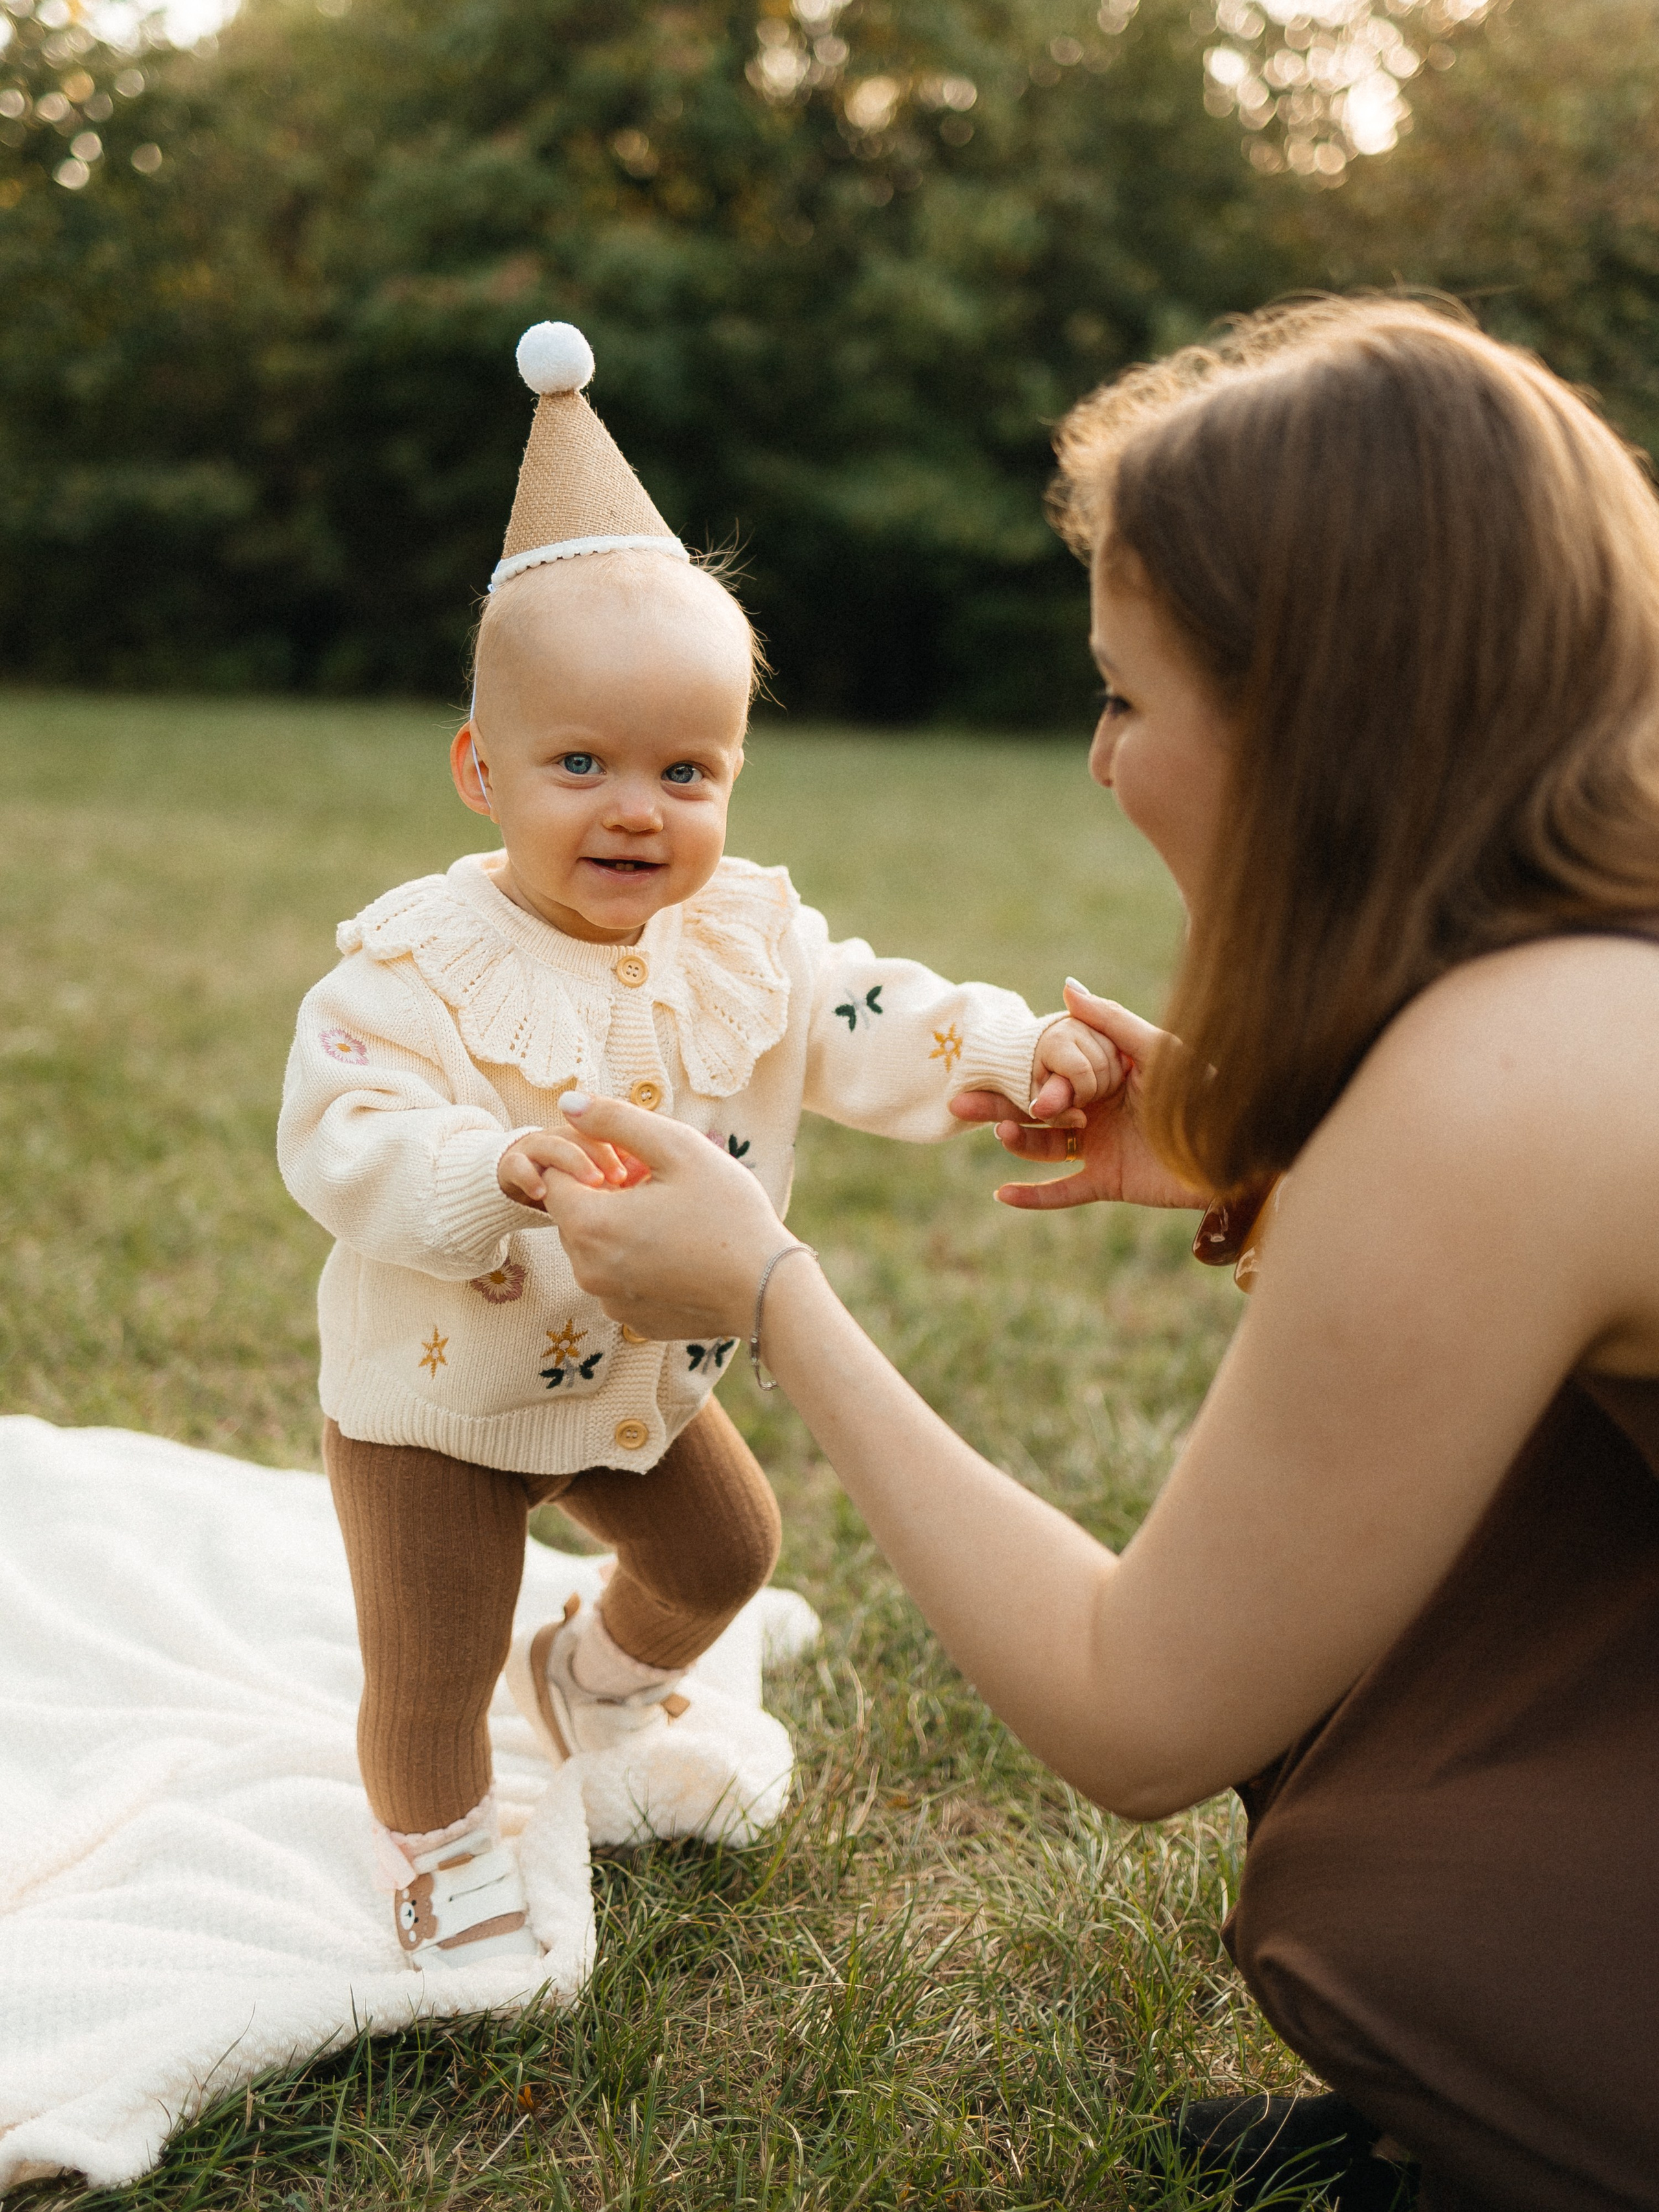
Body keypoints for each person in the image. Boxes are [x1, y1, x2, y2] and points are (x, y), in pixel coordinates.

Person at [526, 299, 1659, 2209]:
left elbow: (1138, 1709)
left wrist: (771, 1292)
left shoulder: (1505, 1078)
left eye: (1128, 695)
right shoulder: (1579, 979)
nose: (1099, 757)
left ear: (1312, 722)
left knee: (1385, 1902)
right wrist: (1261, 1142)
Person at [275, 320, 1121, 1973]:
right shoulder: (410, 968)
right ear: (481, 771)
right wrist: (487, 1171)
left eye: (686, 769)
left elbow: (868, 1013)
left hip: (641, 1376)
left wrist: (1016, 1048)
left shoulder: (743, 935)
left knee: (727, 1549)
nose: (634, 810)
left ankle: (588, 1688)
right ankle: (438, 1844)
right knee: (431, 1657)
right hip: (444, 1387)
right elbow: (342, 1135)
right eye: (577, 764)